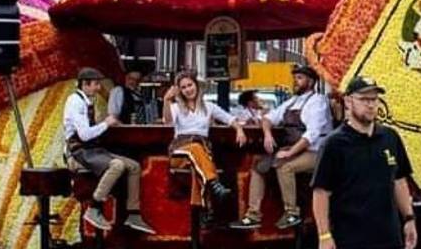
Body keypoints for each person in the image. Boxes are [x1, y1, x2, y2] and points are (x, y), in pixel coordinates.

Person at [312, 76, 416, 249]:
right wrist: (324, 235)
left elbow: (399, 180)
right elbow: (321, 193)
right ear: (348, 101)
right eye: (364, 99)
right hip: (350, 239)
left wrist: (409, 218)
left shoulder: (390, 138)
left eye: (374, 99)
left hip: (389, 237)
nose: (371, 104)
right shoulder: (334, 144)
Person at [231, 64, 334, 230]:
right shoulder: (292, 101)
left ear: (311, 81)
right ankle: (253, 215)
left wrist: (289, 153)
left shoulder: (318, 102)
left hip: (317, 152)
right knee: (259, 166)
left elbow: (311, 136)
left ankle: (292, 212)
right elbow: (268, 119)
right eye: (295, 78)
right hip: (293, 148)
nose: (295, 81)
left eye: (300, 78)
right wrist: (268, 134)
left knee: (285, 167)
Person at [63, 67, 154, 234]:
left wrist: (106, 123)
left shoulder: (87, 101)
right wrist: (107, 123)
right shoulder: (75, 102)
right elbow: (84, 135)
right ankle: (94, 207)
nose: (99, 88)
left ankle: (133, 213)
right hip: (79, 151)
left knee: (134, 166)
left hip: (92, 149)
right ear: (85, 84)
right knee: (117, 165)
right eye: (96, 84)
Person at [161, 70, 246, 218]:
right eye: (183, 87)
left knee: (197, 170)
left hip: (199, 154)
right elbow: (167, 121)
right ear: (180, 91)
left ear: (197, 85)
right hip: (180, 152)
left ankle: (201, 213)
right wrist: (166, 101)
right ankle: (214, 184)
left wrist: (239, 130)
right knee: (196, 149)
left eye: (190, 85)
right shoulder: (176, 107)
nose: (188, 89)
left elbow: (230, 119)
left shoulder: (209, 106)